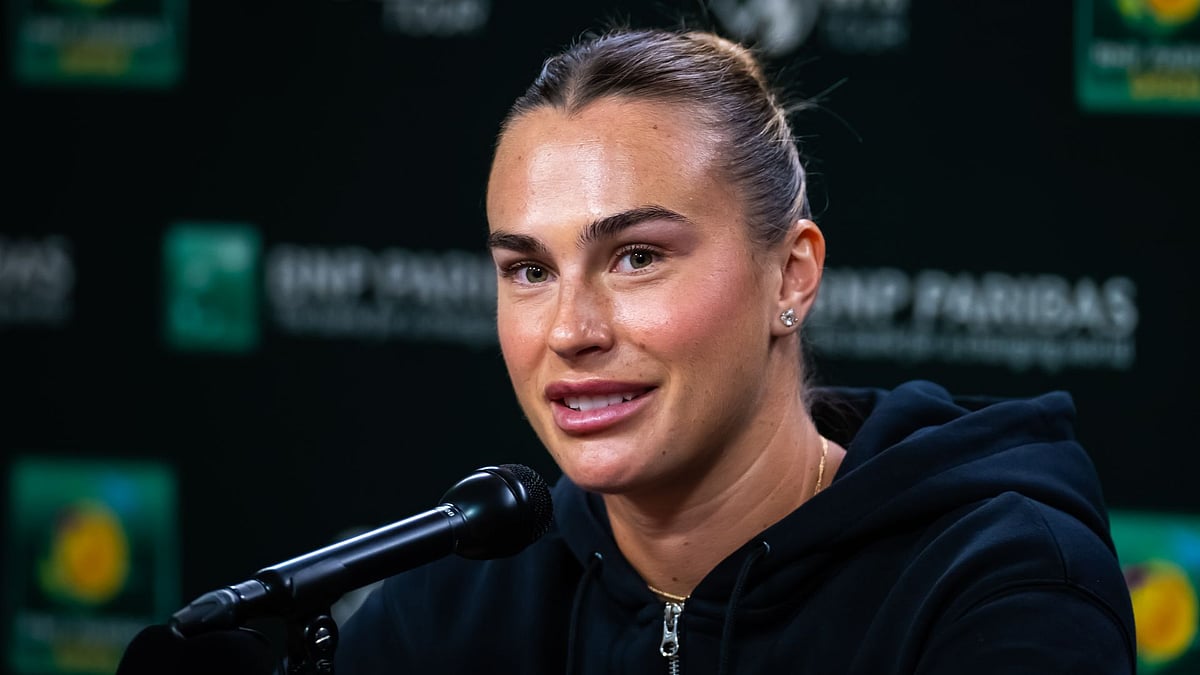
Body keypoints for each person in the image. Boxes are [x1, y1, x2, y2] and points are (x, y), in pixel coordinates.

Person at [335, 25, 1137, 674]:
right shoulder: (456, 599)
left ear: (791, 275)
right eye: (530, 270)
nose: (571, 331)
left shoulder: (998, 584)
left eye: (637, 257)